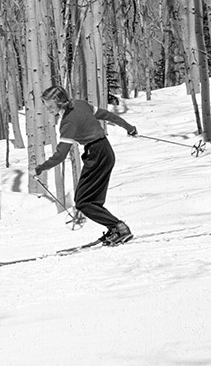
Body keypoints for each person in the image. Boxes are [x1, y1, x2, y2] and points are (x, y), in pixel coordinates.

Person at [34, 85, 138, 246]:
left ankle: (119, 227)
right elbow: (107, 115)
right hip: (105, 151)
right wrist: (129, 128)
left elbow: (60, 155)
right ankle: (115, 229)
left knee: (82, 201)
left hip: (96, 155)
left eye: (50, 106)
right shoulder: (80, 104)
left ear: (60, 102)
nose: (48, 109)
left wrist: (42, 167)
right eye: (46, 106)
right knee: (92, 200)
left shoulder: (68, 123)